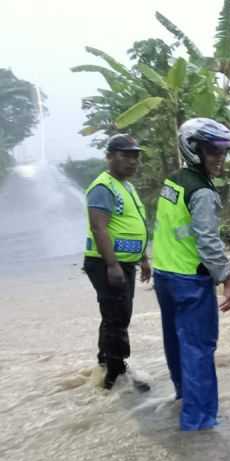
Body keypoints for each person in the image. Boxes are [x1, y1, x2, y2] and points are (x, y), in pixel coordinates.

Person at [151, 118, 230, 431]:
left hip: (165, 276)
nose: (220, 158)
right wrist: (228, 278)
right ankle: (199, 425)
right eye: (213, 150)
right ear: (193, 149)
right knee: (199, 351)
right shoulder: (202, 191)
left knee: (176, 343)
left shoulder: (173, 181)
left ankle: (183, 399)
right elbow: (208, 241)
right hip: (189, 280)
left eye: (223, 151)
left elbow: (169, 229)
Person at [84, 134, 151, 391]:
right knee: (117, 318)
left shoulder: (126, 186)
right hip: (106, 264)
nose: (132, 161)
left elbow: (131, 226)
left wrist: (142, 258)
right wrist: (112, 265)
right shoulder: (103, 186)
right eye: (125, 155)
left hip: (124, 263)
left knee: (115, 315)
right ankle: (117, 376)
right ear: (109, 156)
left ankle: (105, 366)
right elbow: (99, 228)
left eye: (135, 156)